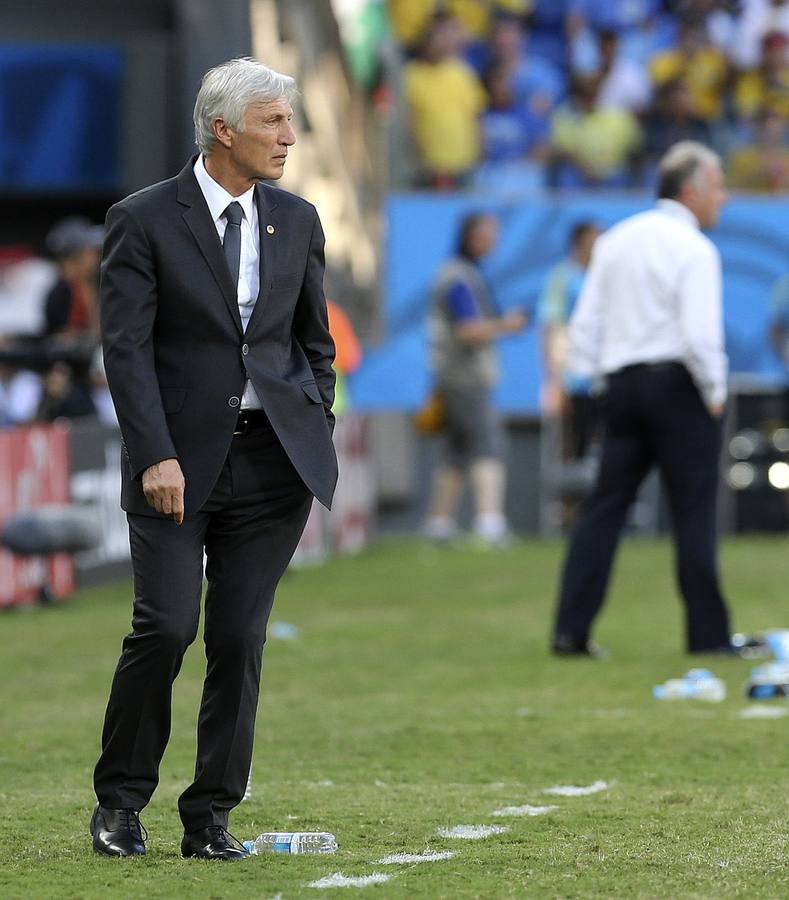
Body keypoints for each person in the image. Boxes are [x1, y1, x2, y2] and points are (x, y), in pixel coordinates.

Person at [90, 58, 337, 861]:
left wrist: (314, 417)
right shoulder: (143, 217)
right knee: (165, 627)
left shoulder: (296, 219)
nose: (288, 138)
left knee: (239, 637)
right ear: (221, 128)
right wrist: (153, 454)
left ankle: (210, 817)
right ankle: (120, 804)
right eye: (273, 122)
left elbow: (312, 342)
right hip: (176, 464)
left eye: (289, 122)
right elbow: (124, 349)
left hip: (273, 468)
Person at [551, 141, 734, 657]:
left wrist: (597, 383)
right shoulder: (695, 248)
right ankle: (708, 637)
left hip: (623, 388)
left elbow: (585, 324)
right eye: (717, 186)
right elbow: (700, 336)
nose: (723, 198)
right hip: (679, 386)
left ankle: (571, 632)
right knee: (694, 510)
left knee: (603, 510)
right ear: (692, 189)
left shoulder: (617, 241)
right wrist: (715, 394)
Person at [424, 212, 526, 546]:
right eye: (487, 234)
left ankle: (439, 523)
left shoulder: (462, 274)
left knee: (457, 451)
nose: (493, 241)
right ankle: (489, 522)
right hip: (464, 377)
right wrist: (505, 326)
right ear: (471, 237)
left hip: (453, 377)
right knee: (488, 446)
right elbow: (468, 330)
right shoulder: (458, 278)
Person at [538, 221, 602, 461]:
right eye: (593, 240)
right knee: (572, 448)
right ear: (578, 244)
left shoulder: (603, 278)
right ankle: (569, 499)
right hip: (574, 380)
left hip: (603, 378)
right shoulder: (563, 278)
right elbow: (552, 327)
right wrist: (554, 380)